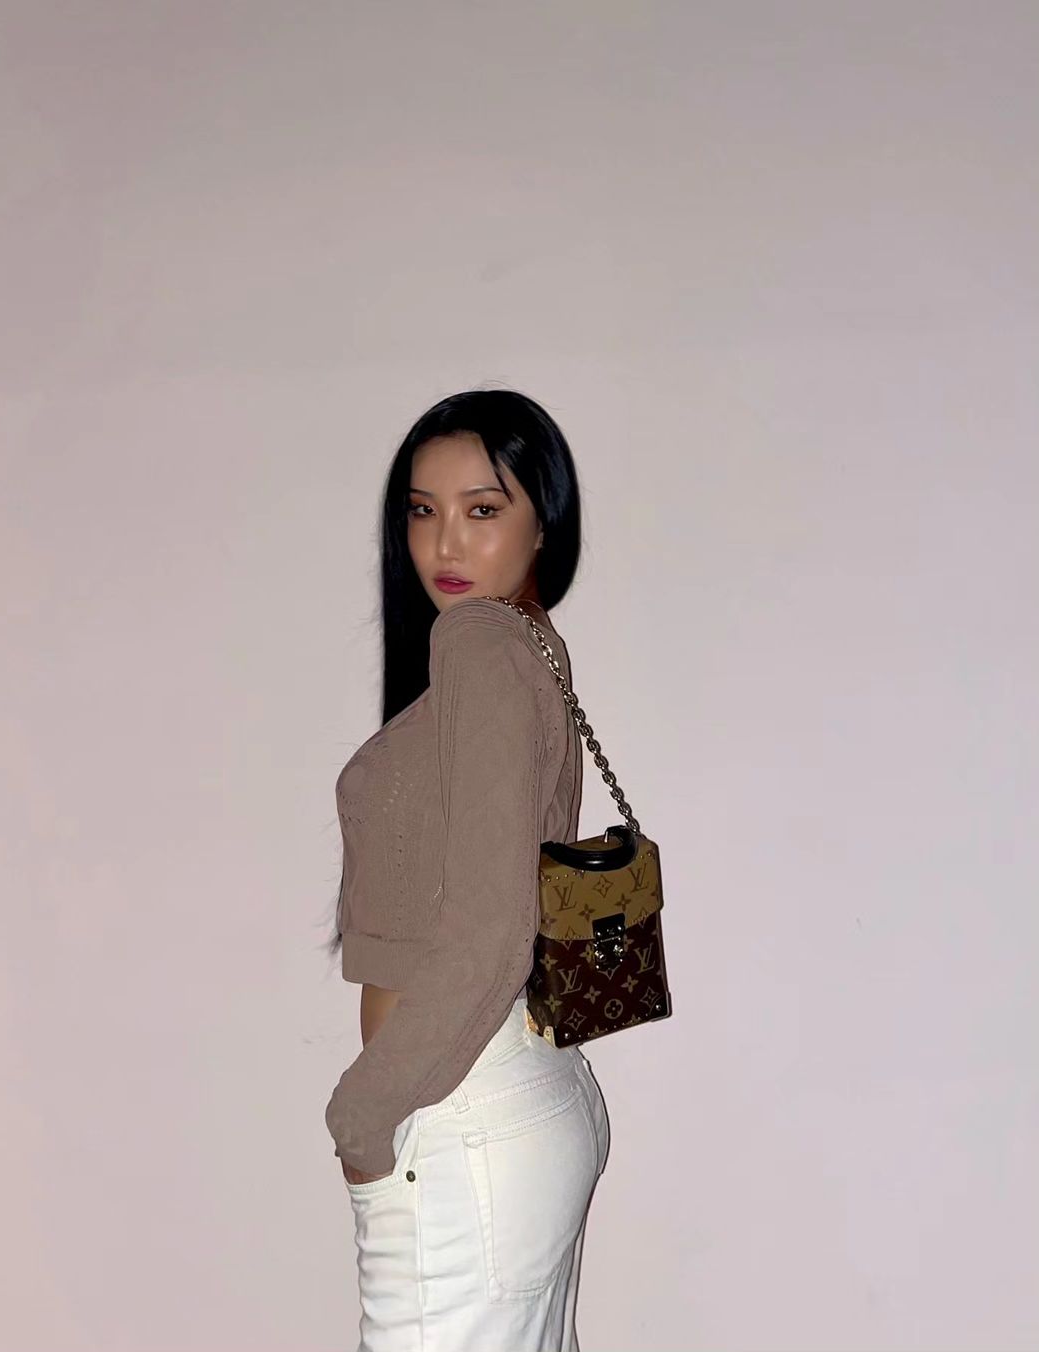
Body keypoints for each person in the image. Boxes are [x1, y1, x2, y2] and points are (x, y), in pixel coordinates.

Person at [324, 388, 610, 1351]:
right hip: (517, 1091)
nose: (445, 542)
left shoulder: (479, 646)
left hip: (459, 1106)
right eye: (422, 510)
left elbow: (492, 930)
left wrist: (363, 1115)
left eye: (482, 509)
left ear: (543, 523)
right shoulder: (527, 644)